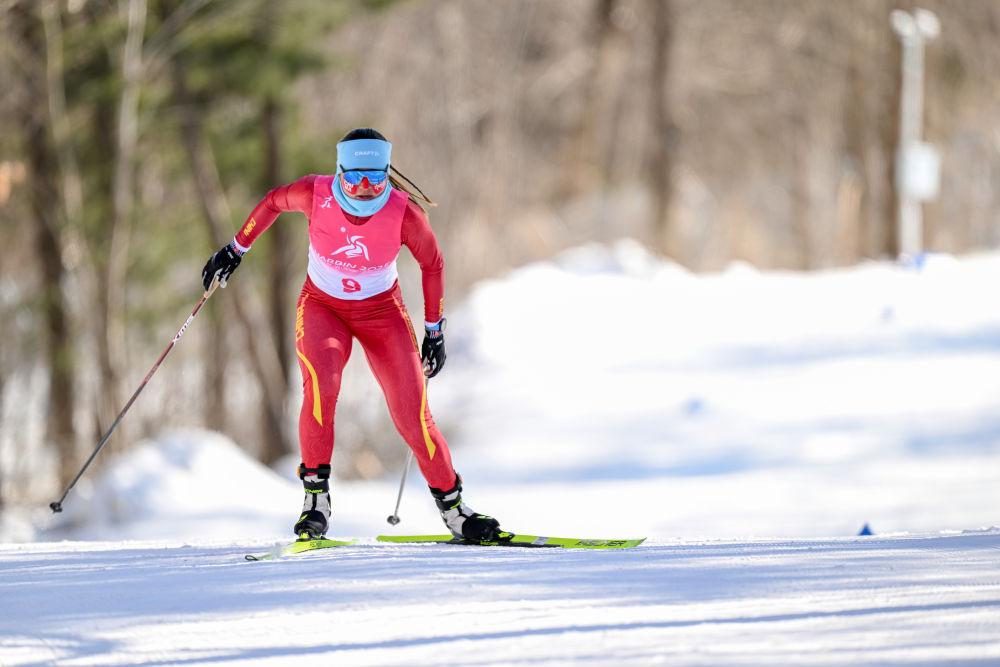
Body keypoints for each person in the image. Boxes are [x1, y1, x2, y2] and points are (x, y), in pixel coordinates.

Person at [201, 128, 502, 541]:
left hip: (382, 313)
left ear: (386, 174)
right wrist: (236, 249)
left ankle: (456, 513)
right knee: (321, 390)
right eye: (354, 178)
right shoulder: (314, 193)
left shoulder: (403, 213)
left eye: (375, 179)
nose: (364, 189)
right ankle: (315, 504)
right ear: (339, 170)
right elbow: (272, 202)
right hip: (323, 308)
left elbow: (433, 264)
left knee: (414, 416)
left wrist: (435, 330)